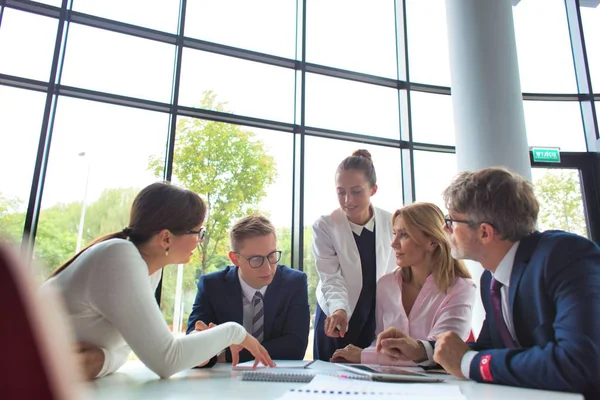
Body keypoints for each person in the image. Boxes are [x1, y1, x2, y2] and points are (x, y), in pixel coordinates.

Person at [376, 167, 600, 399]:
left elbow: (578, 362)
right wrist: (423, 350)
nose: (445, 229)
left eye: (451, 221)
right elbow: (491, 347)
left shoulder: (566, 257)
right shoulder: (490, 279)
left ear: (484, 232)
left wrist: (470, 362)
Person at [43, 182, 274, 379]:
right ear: (166, 238)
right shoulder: (119, 257)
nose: (199, 241)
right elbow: (166, 360)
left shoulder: (149, 269)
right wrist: (234, 331)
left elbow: (128, 350)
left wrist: (101, 360)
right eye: (198, 233)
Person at [330, 202, 476, 364]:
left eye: (404, 235)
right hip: (387, 383)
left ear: (432, 242)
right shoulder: (385, 285)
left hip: (440, 386)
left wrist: (364, 356)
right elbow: (381, 345)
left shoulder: (461, 289)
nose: (393, 243)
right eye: (394, 234)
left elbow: (439, 353)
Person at [186, 214, 310, 365]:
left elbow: (295, 347)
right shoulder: (211, 286)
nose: (268, 268)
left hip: (276, 376)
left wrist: (228, 355)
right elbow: (195, 344)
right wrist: (200, 347)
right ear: (235, 259)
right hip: (223, 381)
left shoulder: (294, 283)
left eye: (272, 256)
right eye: (256, 259)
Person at [312, 149, 397, 361]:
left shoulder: (392, 222)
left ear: (373, 190)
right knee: (329, 380)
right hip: (335, 313)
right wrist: (339, 309)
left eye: (356, 191)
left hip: (374, 316)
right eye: (341, 192)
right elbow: (330, 277)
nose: (347, 200)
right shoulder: (325, 226)